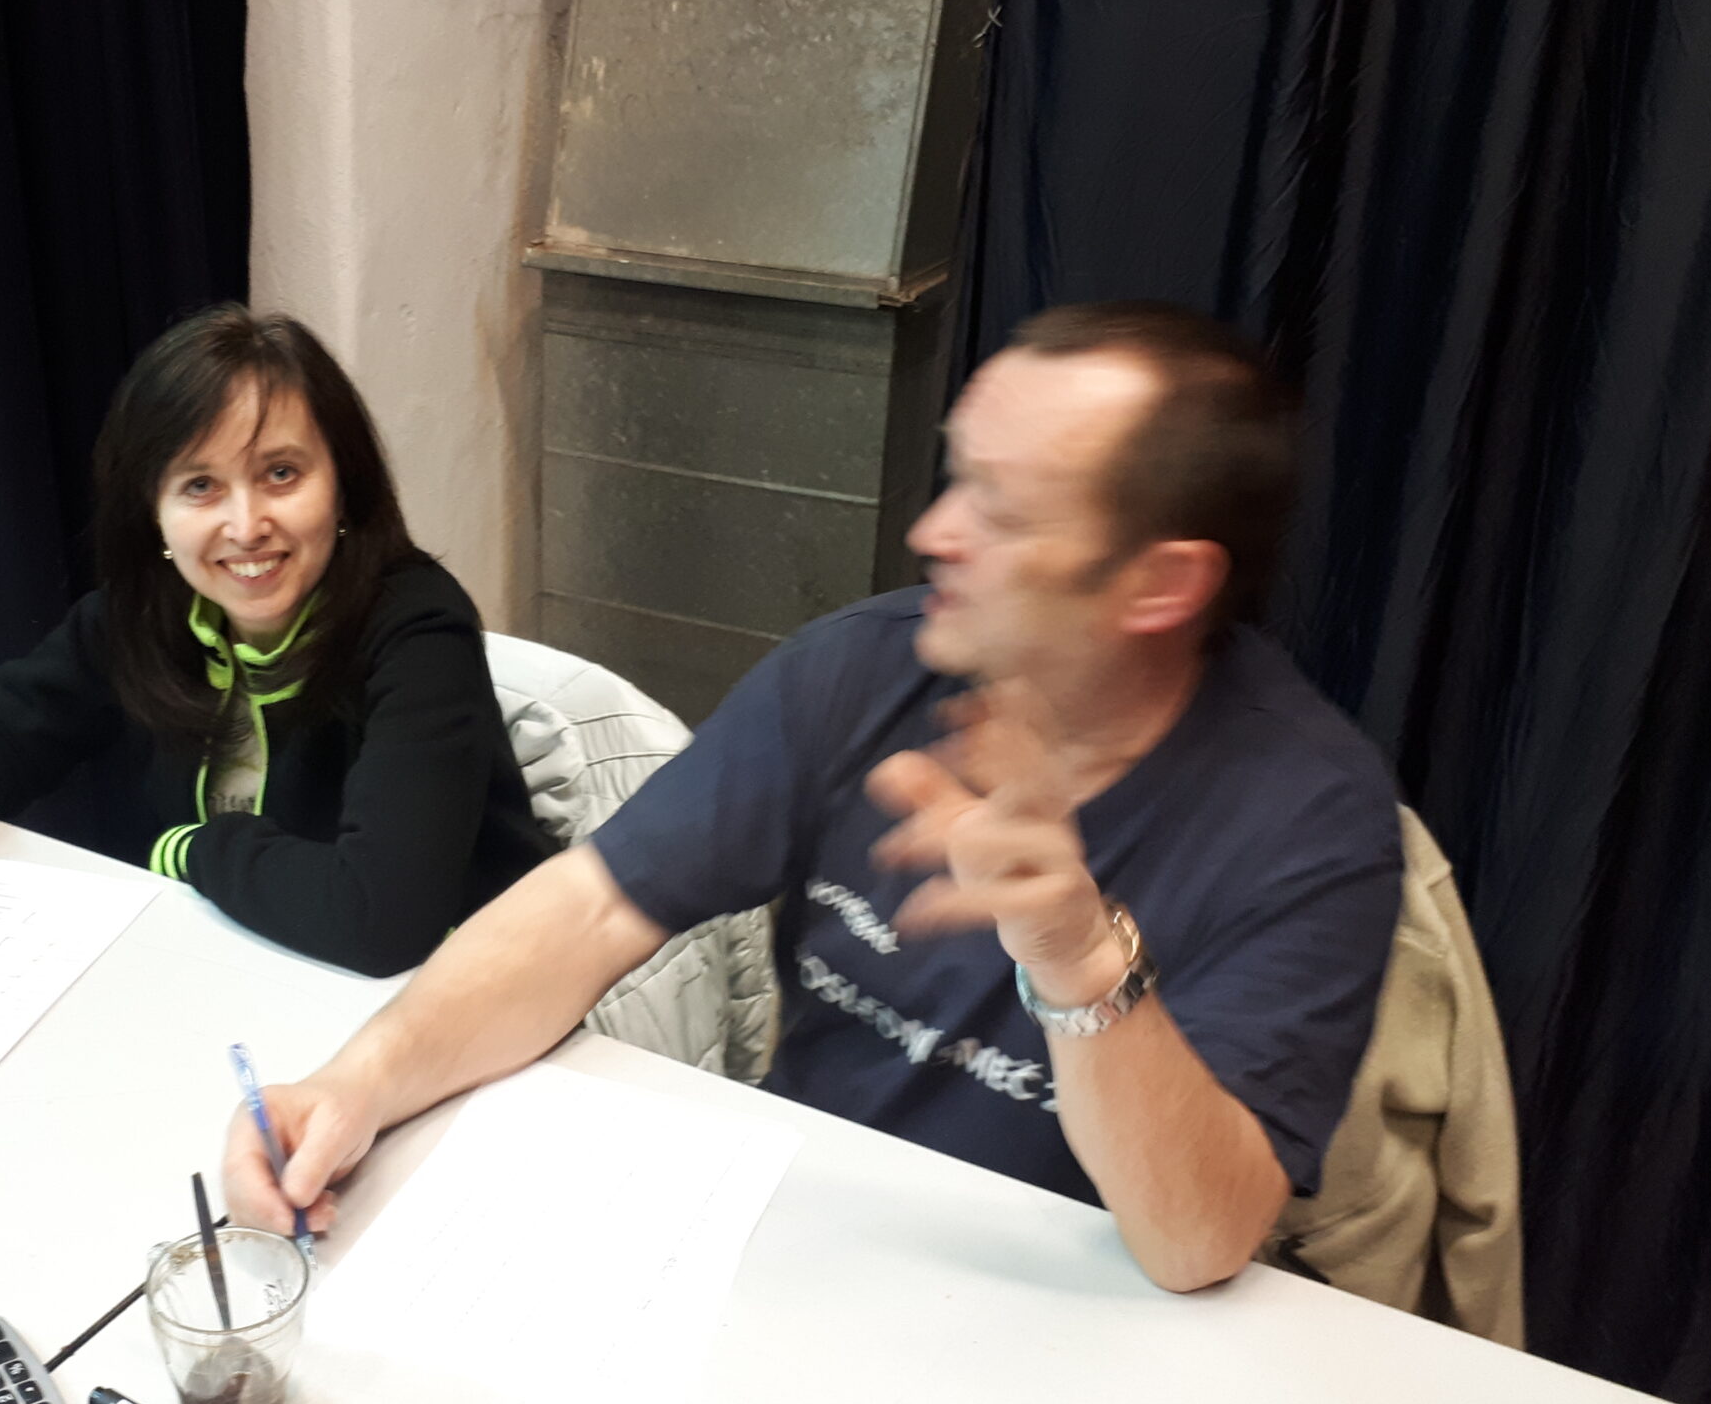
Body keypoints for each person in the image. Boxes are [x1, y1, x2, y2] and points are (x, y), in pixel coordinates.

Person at [224, 301, 1405, 1292]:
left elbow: (1195, 1245)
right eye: (955, 476)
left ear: (1160, 584)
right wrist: (356, 1085)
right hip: (801, 1240)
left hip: (1071, 1309)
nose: (932, 530)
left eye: (999, 509)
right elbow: (590, 909)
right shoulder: (866, 669)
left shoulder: (1308, 818)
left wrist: (1076, 955)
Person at [0, 305, 555, 977]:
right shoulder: (145, 612)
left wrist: (193, 848)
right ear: (156, 511)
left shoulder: (419, 627)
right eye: (200, 486)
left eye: (281, 474)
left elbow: (380, 920)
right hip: (250, 963)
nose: (246, 525)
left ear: (343, 486)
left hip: (463, 994)